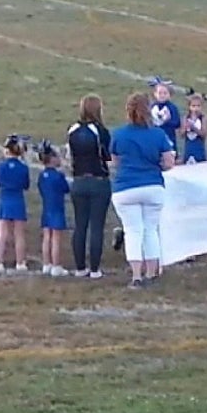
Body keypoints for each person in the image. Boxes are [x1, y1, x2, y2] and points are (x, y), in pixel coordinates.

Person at [110, 92, 176, 289]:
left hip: (125, 187)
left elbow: (115, 162)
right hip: (152, 185)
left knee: (132, 231)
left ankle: (136, 276)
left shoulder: (119, 134)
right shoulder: (158, 134)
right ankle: (151, 272)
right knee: (150, 230)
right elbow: (169, 162)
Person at [66, 94, 113, 279]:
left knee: (80, 225)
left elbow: (70, 155)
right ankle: (94, 269)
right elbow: (106, 156)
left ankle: (80, 267)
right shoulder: (101, 131)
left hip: (78, 181)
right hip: (98, 181)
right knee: (96, 226)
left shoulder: (73, 130)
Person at [0, 134, 31, 273]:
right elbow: (26, 185)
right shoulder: (23, 168)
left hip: (5, 200)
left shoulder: (0, 166)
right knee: (19, 234)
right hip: (18, 200)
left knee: (2, 232)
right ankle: (20, 263)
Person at [37, 140, 71, 277]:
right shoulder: (58, 176)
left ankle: (47, 264)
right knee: (56, 238)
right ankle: (56, 265)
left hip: (46, 208)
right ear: (52, 159)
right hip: (57, 208)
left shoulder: (42, 176)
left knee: (47, 237)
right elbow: (66, 188)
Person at [147, 76, 181, 159]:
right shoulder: (152, 107)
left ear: (169, 95)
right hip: (155, 138)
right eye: (160, 93)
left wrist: (167, 121)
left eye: (165, 93)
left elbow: (177, 123)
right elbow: (148, 122)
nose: (162, 95)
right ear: (155, 94)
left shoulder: (172, 107)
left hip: (169, 138)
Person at [180, 93, 207, 164]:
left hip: (199, 148)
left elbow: (204, 134)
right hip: (188, 148)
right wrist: (185, 128)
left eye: (198, 106)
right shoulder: (186, 117)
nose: (196, 108)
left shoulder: (203, 117)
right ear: (189, 107)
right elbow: (181, 135)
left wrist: (193, 128)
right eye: (193, 106)